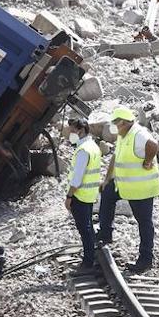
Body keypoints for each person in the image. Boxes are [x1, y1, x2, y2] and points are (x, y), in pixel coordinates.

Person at [97, 106, 159, 274]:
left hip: (141, 189)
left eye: (115, 123)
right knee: (107, 193)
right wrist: (107, 179)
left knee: (144, 222)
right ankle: (105, 234)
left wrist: (148, 162)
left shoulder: (139, 134)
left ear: (124, 123)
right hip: (124, 185)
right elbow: (115, 157)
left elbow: (153, 144)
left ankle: (146, 259)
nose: (113, 127)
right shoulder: (123, 135)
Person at [63, 116, 102, 277]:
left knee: (84, 229)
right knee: (88, 227)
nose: (70, 134)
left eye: (72, 130)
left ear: (80, 130)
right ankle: (92, 256)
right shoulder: (93, 146)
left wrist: (69, 196)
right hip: (89, 194)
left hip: (79, 195)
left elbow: (77, 178)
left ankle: (88, 263)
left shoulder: (83, 151)